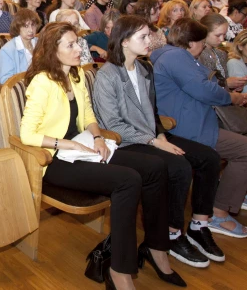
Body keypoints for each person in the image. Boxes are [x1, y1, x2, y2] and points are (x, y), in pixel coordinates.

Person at [20, 22, 179, 290]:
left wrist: (96, 137)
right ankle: (119, 269)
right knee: (128, 180)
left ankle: (156, 246)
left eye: (77, 43)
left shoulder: (76, 75)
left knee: (155, 167)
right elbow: (27, 135)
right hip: (55, 160)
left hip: (84, 148)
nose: (78, 49)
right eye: (70, 45)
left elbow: (90, 116)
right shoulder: (42, 82)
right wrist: (66, 145)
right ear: (52, 50)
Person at [93, 15, 224, 268]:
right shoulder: (107, 76)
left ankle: (199, 224)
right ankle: (172, 234)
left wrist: (161, 135)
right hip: (128, 141)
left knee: (209, 157)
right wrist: (154, 141)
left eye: (148, 35)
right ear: (124, 42)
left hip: (152, 135)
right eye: (143, 36)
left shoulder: (144, 69)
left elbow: (153, 111)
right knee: (179, 167)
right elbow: (113, 126)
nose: (150, 40)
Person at [152, 19, 247, 239]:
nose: (204, 47)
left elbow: (204, 84)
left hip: (194, 121)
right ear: (191, 43)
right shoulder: (176, 57)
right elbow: (203, 89)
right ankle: (219, 211)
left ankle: (231, 196)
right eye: (201, 42)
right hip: (187, 128)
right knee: (246, 151)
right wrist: (230, 97)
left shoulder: (173, 55)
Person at [198, 13, 247, 92]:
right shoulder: (197, 55)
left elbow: (226, 84)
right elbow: (200, 85)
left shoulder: (221, 54)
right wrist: (226, 83)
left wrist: (234, 87)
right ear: (204, 32)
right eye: (218, 35)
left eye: (224, 34)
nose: (222, 39)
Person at [0, 8, 41, 84]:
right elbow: (6, 81)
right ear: (18, 27)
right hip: (21, 91)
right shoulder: (7, 51)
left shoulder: (40, 43)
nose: (31, 30)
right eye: (26, 26)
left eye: (33, 25)